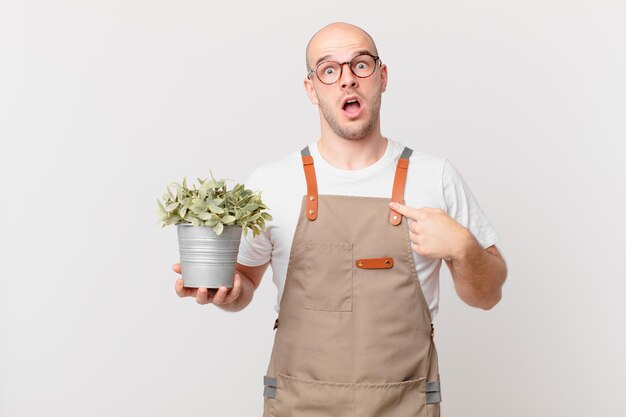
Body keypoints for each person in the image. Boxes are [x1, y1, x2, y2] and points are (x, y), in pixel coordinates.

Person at [173, 21, 507, 416]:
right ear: (311, 89)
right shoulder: (272, 183)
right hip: (298, 405)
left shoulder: (435, 177)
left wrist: (462, 247)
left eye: (360, 65)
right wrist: (227, 292)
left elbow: (487, 296)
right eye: (329, 70)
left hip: (405, 405)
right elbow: (244, 281)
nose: (347, 79)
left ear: (382, 77)